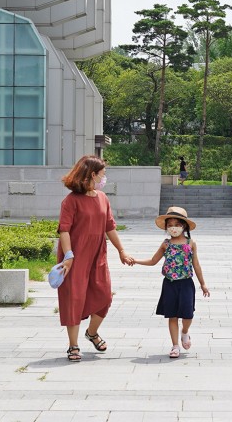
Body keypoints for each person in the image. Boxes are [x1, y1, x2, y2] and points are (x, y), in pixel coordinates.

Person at [54, 155, 134, 363]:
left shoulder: (102, 198)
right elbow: (64, 231)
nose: (104, 177)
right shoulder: (71, 201)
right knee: (74, 298)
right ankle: (73, 345)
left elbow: (110, 227)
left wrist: (121, 251)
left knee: (104, 295)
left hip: (98, 254)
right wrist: (69, 256)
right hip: (75, 255)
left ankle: (91, 332)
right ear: (92, 174)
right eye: (103, 173)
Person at [133, 206, 210, 358]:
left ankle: (185, 332)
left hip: (186, 283)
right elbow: (153, 260)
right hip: (169, 284)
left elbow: (196, 264)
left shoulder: (191, 243)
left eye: (177, 224)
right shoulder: (165, 244)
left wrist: (203, 284)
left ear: (184, 226)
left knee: (188, 315)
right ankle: (175, 346)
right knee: (172, 316)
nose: (173, 228)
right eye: (170, 225)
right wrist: (135, 260)